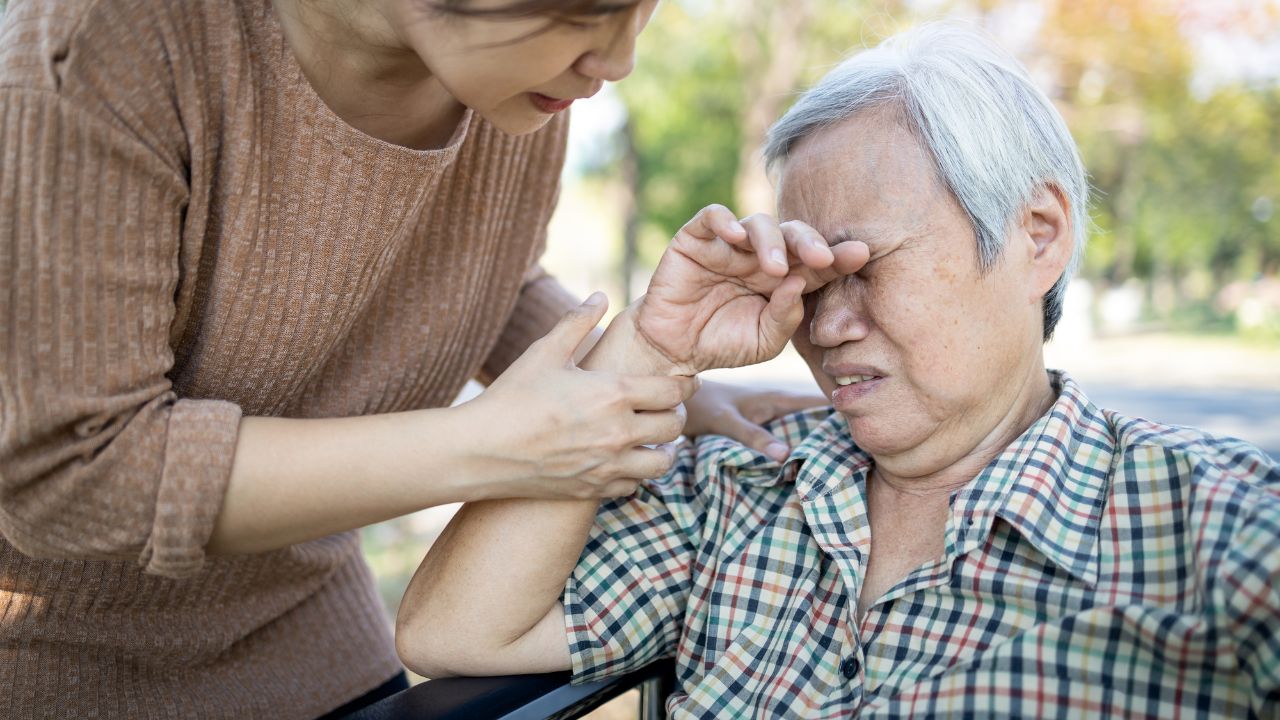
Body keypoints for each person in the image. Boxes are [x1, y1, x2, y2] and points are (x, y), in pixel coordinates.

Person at [397, 23, 1280, 718]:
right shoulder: (739, 486)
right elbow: (450, 631)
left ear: (1036, 236)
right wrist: (654, 347)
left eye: (865, 268)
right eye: (809, 282)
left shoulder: (1227, 530)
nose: (826, 327)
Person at [0, 0, 827, 716]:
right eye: (584, 8)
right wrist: (491, 449)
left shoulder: (515, 86)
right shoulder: (92, 57)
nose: (617, 60)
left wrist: (663, 397)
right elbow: (74, 474)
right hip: (51, 660)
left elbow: (478, 281)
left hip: (305, 630)